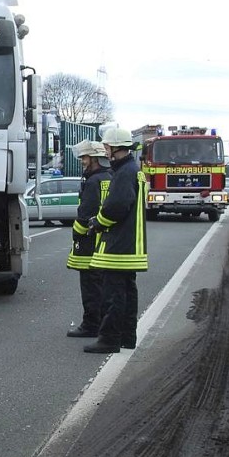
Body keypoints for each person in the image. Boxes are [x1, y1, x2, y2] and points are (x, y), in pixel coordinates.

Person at [84, 127, 148, 353]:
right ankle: (126, 337)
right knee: (128, 293)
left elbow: (117, 206)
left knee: (113, 295)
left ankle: (109, 339)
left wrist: (98, 222)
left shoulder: (124, 172)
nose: (105, 150)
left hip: (119, 246)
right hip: (131, 245)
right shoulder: (133, 169)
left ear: (114, 148)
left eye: (107, 146)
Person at [65, 141, 112, 337]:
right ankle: (102, 322)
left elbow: (86, 213)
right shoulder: (109, 177)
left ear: (94, 159)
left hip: (89, 239)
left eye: (84, 158)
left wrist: (77, 232)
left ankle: (91, 325)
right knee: (102, 285)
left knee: (90, 285)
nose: (83, 161)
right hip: (105, 239)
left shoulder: (93, 181)